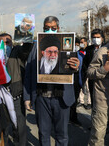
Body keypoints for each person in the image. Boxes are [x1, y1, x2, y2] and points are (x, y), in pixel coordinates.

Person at [24, 16, 80, 146]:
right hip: (41, 98)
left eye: (53, 28)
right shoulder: (35, 49)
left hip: (62, 99)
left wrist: (76, 67)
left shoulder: (69, 48)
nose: (50, 30)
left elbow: (76, 69)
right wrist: (27, 98)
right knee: (43, 134)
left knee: (62, 135)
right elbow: (28, 73)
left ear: (58, 29)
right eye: (46, 28)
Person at [0, 33, 32, 146]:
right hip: (1, 96)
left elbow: (26, 50)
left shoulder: (17, 52)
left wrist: (25, 36)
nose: (5, 45)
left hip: (17, 94)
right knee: (3, 126)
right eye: (2, 43)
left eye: (8, 42)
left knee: (19, 126)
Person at [82, 29, 105, 106]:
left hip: (103, 78)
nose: (96, 39)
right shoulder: (88, 49)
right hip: (92, 78)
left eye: (98, 37)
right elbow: (85, 64)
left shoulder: (106, 48)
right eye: (94, 37)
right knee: (93, 98)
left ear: (102, 38)